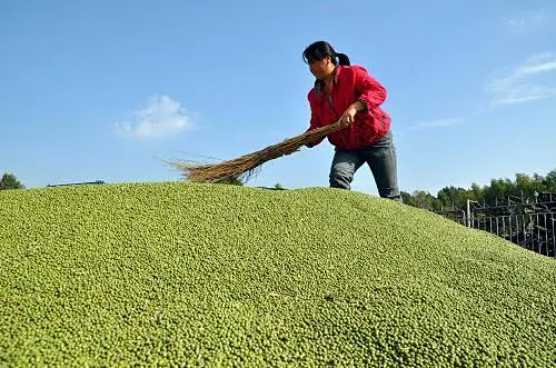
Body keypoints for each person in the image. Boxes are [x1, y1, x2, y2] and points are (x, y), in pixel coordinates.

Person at [302, 41, 401, 201]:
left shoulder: (353, 74)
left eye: (314, 62)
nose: (311, 68)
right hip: (346, 147)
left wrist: (354, 107)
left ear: (327, 59)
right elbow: (318, 125)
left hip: (376, 139)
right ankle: (340, 220)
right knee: (338, 179)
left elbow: (378, 91)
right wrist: (303, 141)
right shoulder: (314, 95)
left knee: (389, 194)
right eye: (309, 64)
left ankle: (399, 224)